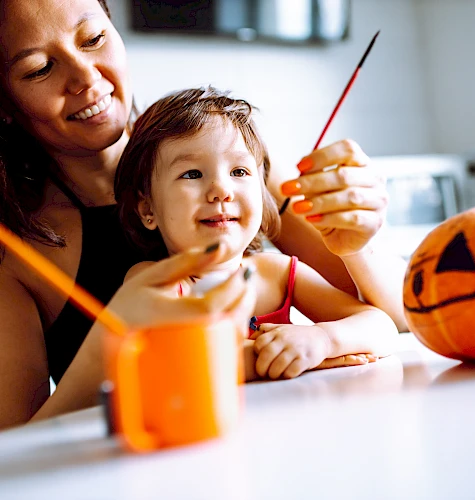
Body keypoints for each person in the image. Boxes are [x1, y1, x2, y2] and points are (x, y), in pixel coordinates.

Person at [0, 0, 406, 429]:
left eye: (94, 39)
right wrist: (108, 344)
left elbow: (398, 321)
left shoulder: (224, 153)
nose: (85, 78)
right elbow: (14, 452)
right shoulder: (16, 253)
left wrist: (362, 246)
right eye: (40, 68)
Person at [114, 87, 399, 380]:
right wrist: (286, 355)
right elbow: (176, 361)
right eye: (192, 174)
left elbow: (382, 327)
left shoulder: (275, 273)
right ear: (147, 209)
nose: (222, 191)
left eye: (238, 172)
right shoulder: (152, 282)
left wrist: (322, 340)